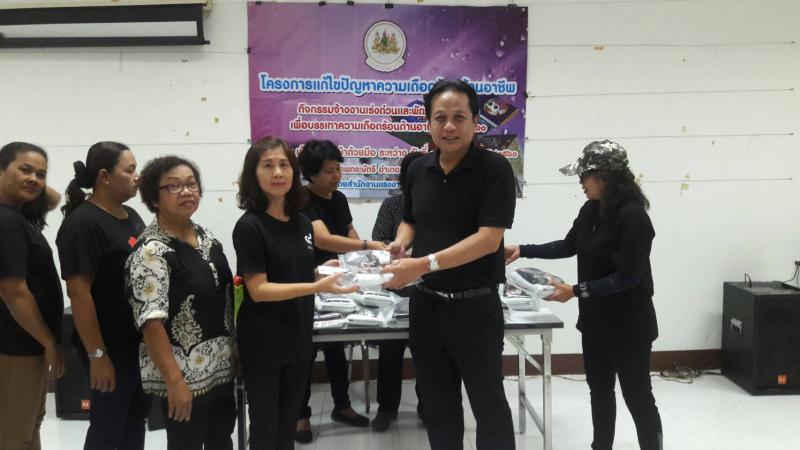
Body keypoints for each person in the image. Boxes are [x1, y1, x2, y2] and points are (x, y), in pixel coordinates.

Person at [382, 80, 517, 450]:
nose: (449, 126)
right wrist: (401, 242)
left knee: (488, 404)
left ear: (476, 122)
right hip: (427, 307)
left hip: (475, 307)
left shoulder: (494, 170)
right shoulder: (418, 169)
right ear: (428, 123)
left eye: (459, 117)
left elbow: (488, 238)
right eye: (440, 117)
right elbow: (410, 219)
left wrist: (423, 264)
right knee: (437, 404)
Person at [505, 140, 663, 450]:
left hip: (630, 325)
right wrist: (522, 250)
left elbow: (629, 277)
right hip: (595, 323)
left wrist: (576, 291)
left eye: (584, 175)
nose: (580, 182)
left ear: (605, 177)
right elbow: (568, 245)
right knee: (599, 391)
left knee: (637, 396)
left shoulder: (633, 217)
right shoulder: (591, 209)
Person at [233, 136, 358, 450]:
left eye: (284, 165)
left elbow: (292, 273)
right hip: (264, 344)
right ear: (254, 174)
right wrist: (315, 287)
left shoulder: (301, 223)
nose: (278, 172)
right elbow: (259, 290)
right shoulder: (249, 226)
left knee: (287, 428)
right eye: (268, 165)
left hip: (298, 338)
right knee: (265, 432)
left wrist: (320, 271)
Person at [125, 156, 236, 450]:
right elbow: (150, 322)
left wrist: (234, 348)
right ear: (154, 198)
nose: (186, 192)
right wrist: (175, 382)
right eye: (174, 186)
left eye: (191, 184)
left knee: (221, 440)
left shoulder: (205, 236)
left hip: (220, 368)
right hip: (183, 376)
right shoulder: (151, 251)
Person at [56, 141, 149, 450]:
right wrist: (98, 356)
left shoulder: (131, 215)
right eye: (130, 170)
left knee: (134, 422)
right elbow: (79, 293)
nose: (137, 176)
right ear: (105, 177)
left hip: (136, 344)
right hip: (108, 348)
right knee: (108, 428)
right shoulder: (82, 223)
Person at [294, 139, 384, 442]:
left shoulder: (340, 198)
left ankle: (342, 405)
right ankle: (301, 416)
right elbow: (323, 239)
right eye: (329, 171)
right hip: (310, 280)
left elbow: (348, 232)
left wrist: (366, 257)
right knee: (306, 351)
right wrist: (367, 245)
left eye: (338, 169)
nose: (336, 176)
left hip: (338, 282)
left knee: (337, 346)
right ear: (311, 175)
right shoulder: (303, 200)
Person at [0, 142, 65, 450]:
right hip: (14, 347)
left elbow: (53, 198)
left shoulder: (17, 213)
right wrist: (49, 342)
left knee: (29, 427)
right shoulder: (6, 222)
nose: (35, 180)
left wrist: (29, 179)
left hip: (26, 344)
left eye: (41, 174)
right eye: (25, 170)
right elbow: (13, 292)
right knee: (13, 435)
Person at [369, 150, 425, 432]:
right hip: (395, 289)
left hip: (428, 288)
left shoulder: (437, 203)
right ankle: (387, 409)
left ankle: (428, 407)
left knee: (427, 353)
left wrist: (419, 260)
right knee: (390, 351)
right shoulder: (392, 205)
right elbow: (378, 243)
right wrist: (395, 252)